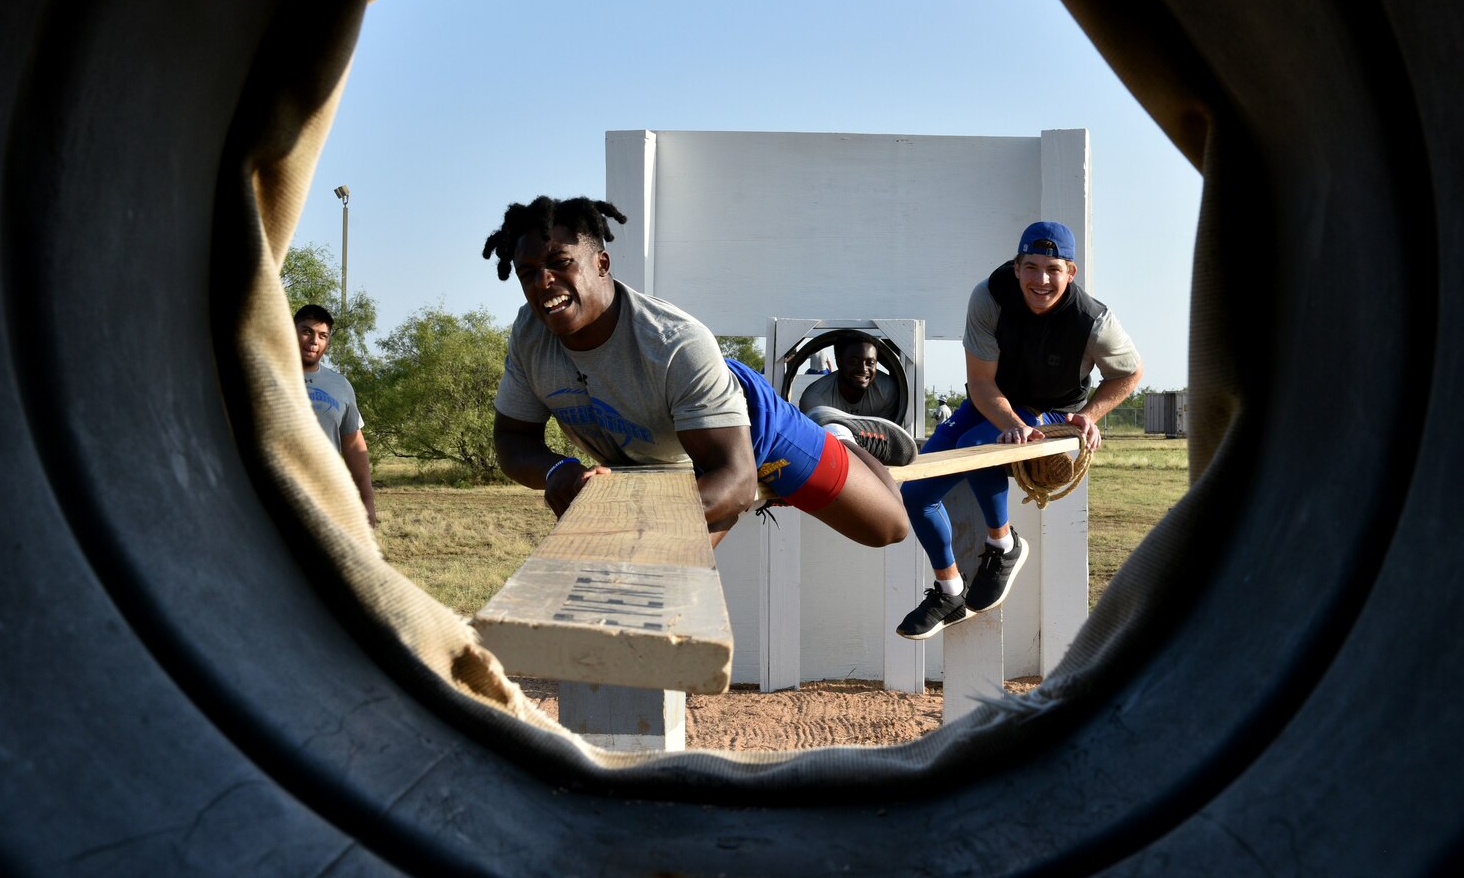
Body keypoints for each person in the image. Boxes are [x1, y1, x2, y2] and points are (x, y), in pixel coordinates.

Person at [483, 196, 912, 547]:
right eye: (528, 273)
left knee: (888, 527)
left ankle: (837, 434)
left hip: (746, 434)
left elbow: (738, 483)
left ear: (602, 264)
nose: (542, 282)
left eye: (560, 262)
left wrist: (625, 514)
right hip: (661, 460)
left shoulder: (676, 343)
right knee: (651, 573)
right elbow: (512, 439)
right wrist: (558, 471)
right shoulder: (529, 336)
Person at [895, 220, 1142, 639]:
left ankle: (1002, 545)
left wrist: (1091, 415)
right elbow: (981, 382)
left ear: (1070, 272)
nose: (1041, 279)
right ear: (1016, 267)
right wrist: (1011, 424)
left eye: (1052, 268)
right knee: (915, 491)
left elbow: (1129, 373)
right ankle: (950, 590)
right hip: (993, 401)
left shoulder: (1093, 320)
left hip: (1052, 410)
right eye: (1031, 267)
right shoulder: (989, 296)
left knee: (979, 446)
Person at [296, 303, 379, 528]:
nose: (314, 341)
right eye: (306, 331)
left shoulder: (340, 386)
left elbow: (354, 447)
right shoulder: (262, 376)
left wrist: (367, 500)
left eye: (322, 335)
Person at [796, 335, 916, 464]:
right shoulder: (815, 397)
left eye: (870, 363)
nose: (863, 369)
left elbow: (885, 439)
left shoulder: (886, 390)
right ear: (839, 362)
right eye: (854, 362)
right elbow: (816, 447)